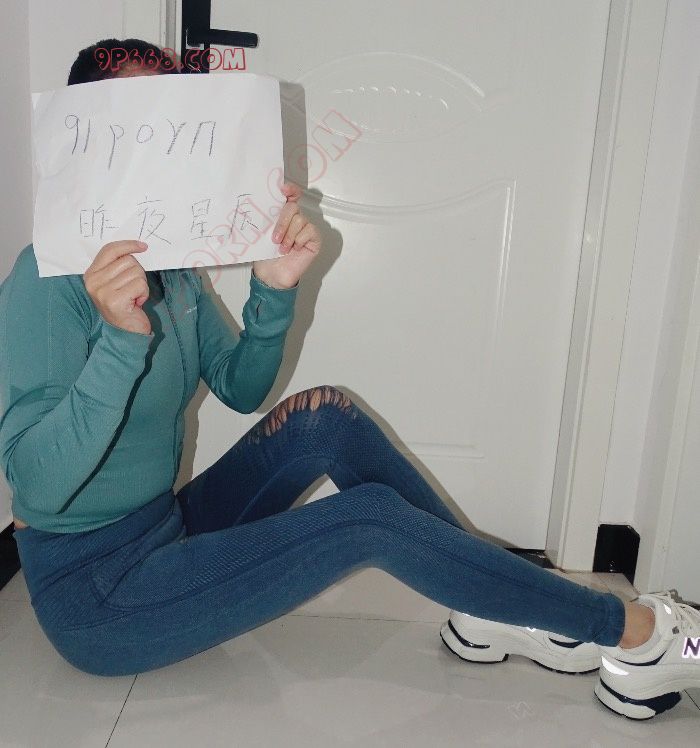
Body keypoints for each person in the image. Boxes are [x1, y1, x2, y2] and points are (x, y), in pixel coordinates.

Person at [1, 38, 697, 722]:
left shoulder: (172, 266)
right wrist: (120, 341)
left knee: (323, 417)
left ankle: (488, 605)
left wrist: (273, 290)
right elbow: (37, 485)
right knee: (368, 520)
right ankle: (631, 634)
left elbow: (243, 390)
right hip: (100, 592)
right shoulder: (47, 276)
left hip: (166, 525)